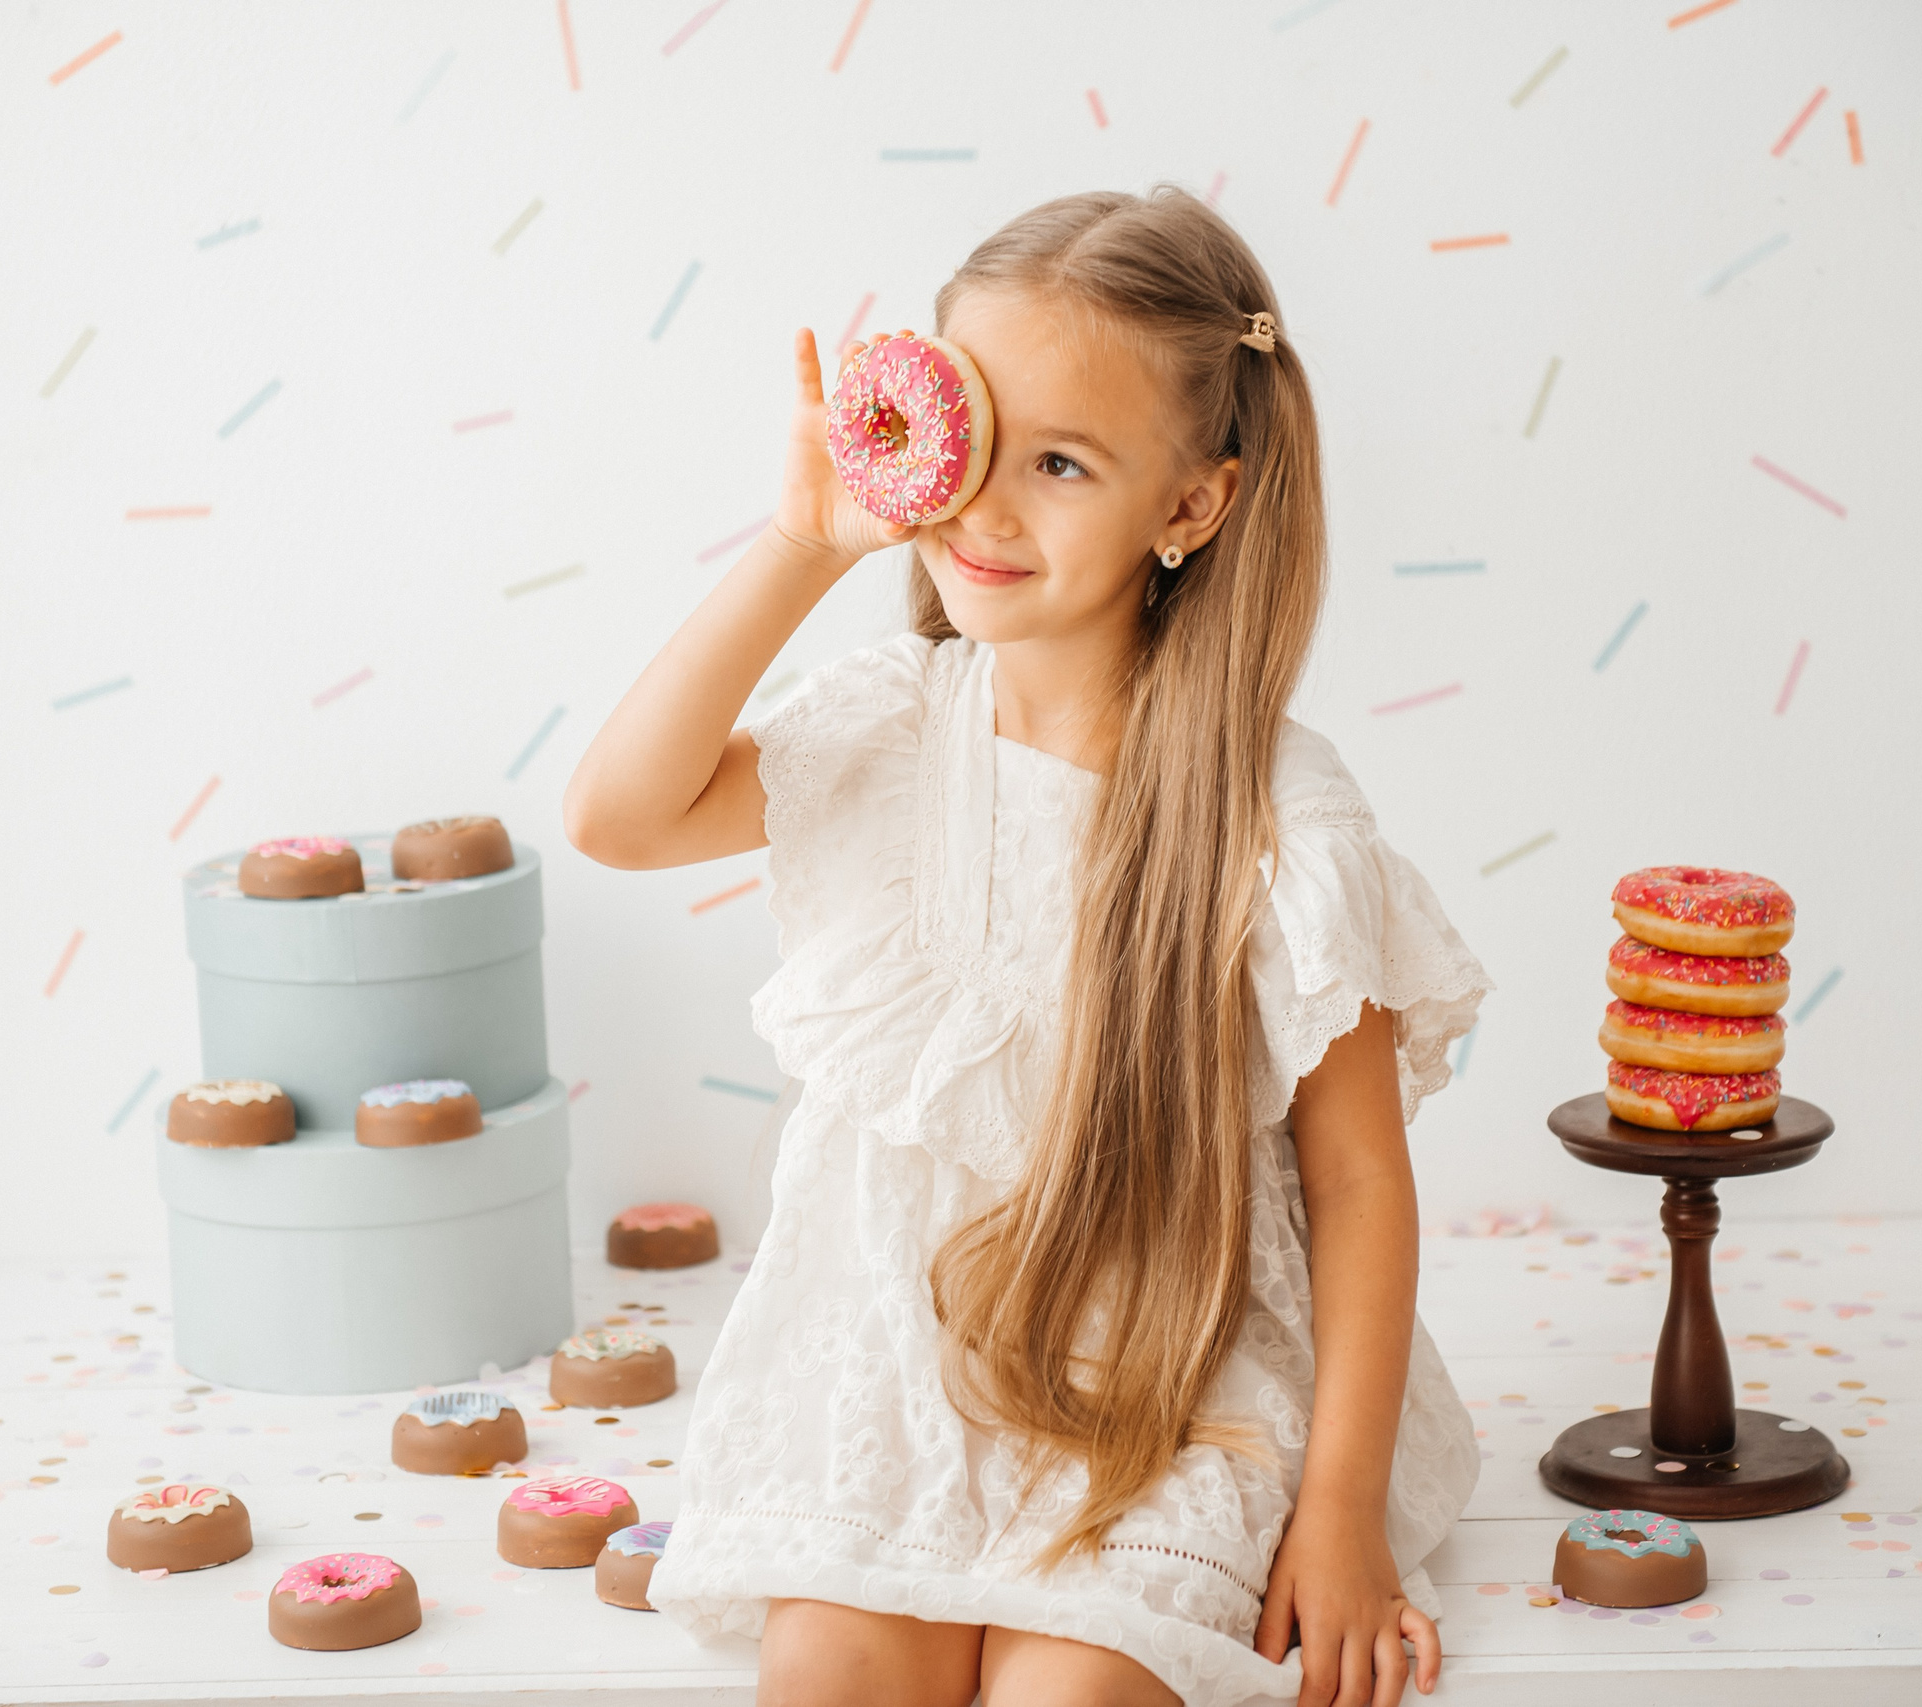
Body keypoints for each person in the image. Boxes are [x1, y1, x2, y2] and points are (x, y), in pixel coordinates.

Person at [565, 188, 1489, 1707]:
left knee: (1071, 1693)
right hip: (900, 1372)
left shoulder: (1276, 815)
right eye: (972, 443)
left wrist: (1339, 1515)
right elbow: (618, 814)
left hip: (1176, 1392)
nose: (986, 511)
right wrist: (804, 544)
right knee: (835, 1673)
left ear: (1191, 507)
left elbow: (1356, 1180)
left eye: (1059, 464)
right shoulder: (888, 727)